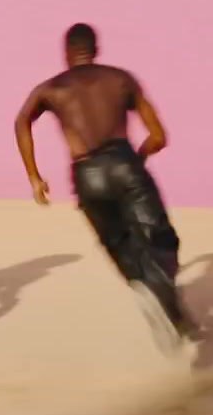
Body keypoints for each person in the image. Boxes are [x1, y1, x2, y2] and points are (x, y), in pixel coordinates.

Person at [13, 23, 197, 356]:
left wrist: (35, 177)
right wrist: (137, 158)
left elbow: (21, 121)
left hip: (86, 175)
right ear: (95, 49)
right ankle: (168, 301)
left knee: (119, 243)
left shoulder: (51, 88)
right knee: (160, 239)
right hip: (124, 163)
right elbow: (158, 136)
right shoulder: (121, 79)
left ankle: (145, 289)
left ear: (67, 54)